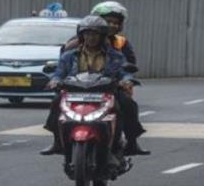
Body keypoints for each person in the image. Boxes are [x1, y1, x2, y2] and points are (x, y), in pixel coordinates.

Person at [40, 16, 149, 157]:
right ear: (82, 35)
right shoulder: (69, 56)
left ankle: (132, 142)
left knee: (128, 104)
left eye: (95, 34)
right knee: (56, 102)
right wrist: (54, 81)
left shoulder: (115, 56)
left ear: (102, 36)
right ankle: (57, 142)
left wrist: (127, 80)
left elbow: (124, 73)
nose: (91, 38)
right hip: (75, 91)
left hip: (106, 92)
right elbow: (59, 73)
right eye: (87, 34)